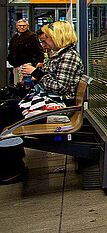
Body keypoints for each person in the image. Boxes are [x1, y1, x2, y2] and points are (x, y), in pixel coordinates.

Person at [1, 21, 84, 184]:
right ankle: (13, 164)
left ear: (58, 37)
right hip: (49, 101)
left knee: (7, 114)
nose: (43, 43)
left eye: (47, 39)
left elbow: (59, 87)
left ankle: (12, 169)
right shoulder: (59, 55)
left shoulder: (68, 56)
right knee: (7, 110)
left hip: (57, 107)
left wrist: (37, 73)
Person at [8, 19, 44, 85]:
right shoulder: (14, 37)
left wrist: (40, 61)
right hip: (15, 65)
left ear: (27, 26)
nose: (22, 27)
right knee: (17, 84)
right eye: (20, 25)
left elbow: (39, 49)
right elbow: (11, 50)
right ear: (16, 26)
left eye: (24, 26)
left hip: (26, 64)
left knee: (25, 84)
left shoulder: (31, 36)